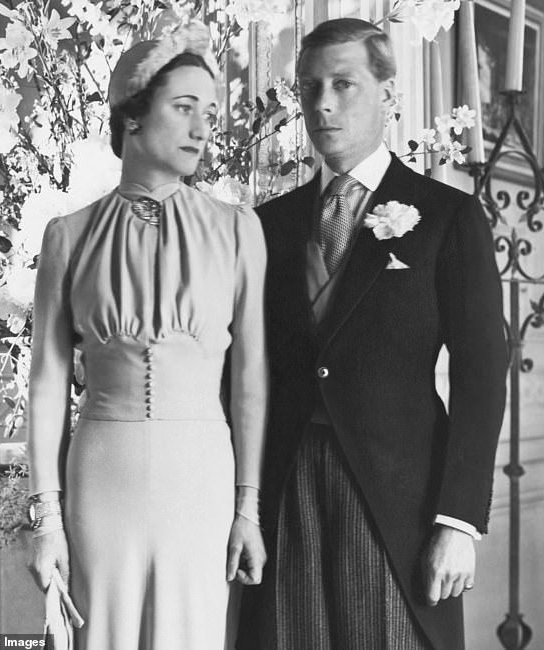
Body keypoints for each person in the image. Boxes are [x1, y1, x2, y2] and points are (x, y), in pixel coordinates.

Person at [237, 18, 507, 650]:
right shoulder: (264, 225)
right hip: (285, 493)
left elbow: (481, 377)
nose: (322, 103)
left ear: (389, 93)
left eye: (343, 84)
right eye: (309, 87)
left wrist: (459, 520)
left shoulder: (447, 217)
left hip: (397, 501)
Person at [26, 21, 268, 650]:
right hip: (102, 478)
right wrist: (47, 519)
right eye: (183, 108)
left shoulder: (239, 231)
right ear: (132, 116)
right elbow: (48, 385)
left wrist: (248, 507)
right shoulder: (68, 236)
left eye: (210, 114)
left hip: (203, 481)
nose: (201, 128)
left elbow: (250, 379)